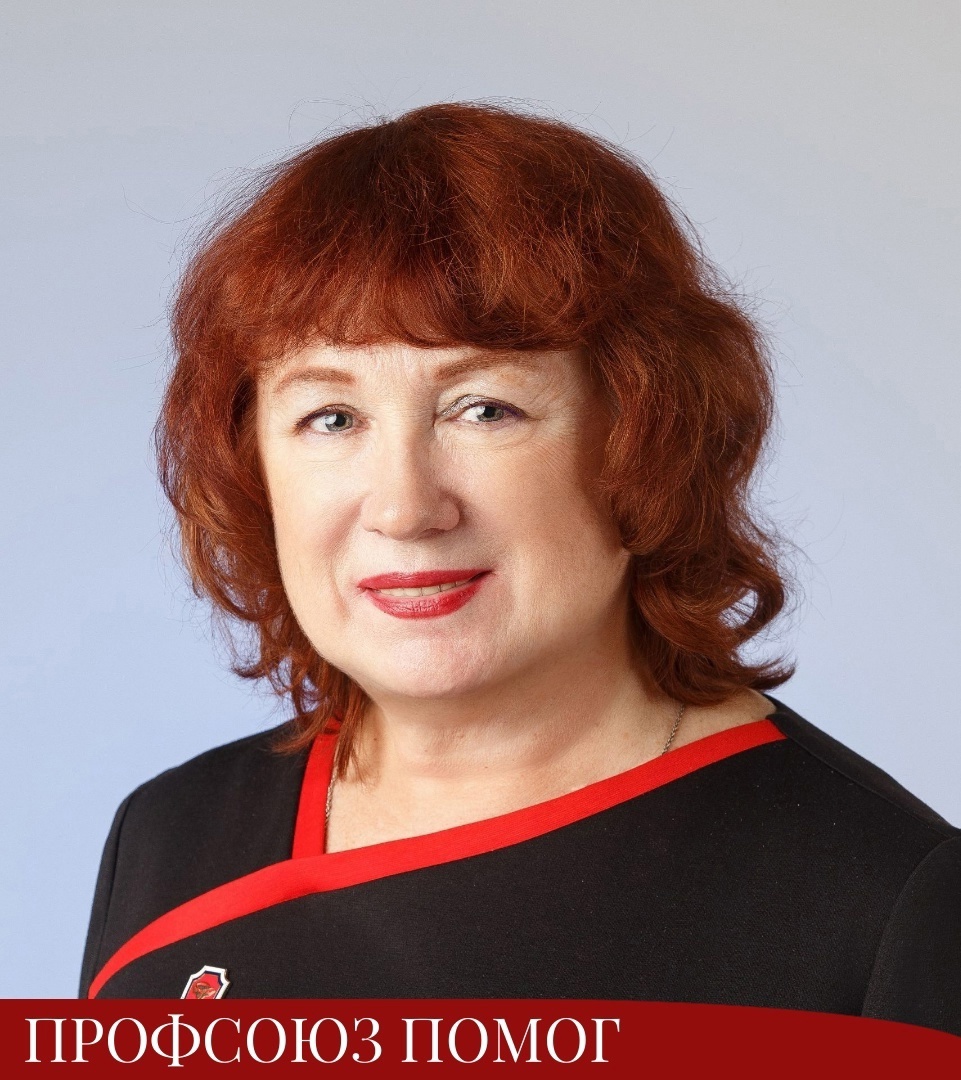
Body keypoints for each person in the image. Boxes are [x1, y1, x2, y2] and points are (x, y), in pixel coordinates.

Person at [79, 102, 960, 1034]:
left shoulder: (885, 907)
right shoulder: (166, 841)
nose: (404, 508)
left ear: (644, 440)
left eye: (484, 409)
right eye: (330, 418)